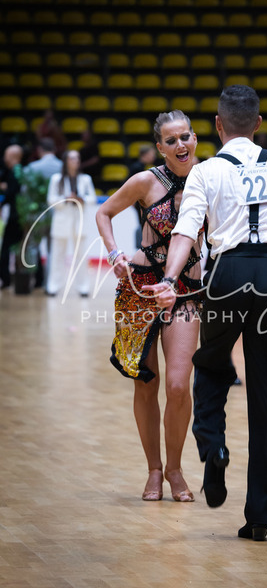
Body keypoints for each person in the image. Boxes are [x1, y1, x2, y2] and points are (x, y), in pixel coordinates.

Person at [145, 85, 267, 541]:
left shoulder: (206, 171)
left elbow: (186, 232)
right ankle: (260, 518)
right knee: (264, 392)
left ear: (218, 125)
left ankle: (214, 448)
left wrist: (169, 279)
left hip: (227, 274)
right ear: (258, 123)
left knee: (210, 367)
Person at [96, 110, 204, 504]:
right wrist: (115, 254)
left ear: (195, 138)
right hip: (139, 288)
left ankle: (175, 468)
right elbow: (103, 212)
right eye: (171, 140)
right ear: (160, 147)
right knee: (146, 382)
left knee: (177, 385)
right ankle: (154, 470)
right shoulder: (146, 181)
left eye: (186, 136)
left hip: (186, 289)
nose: (181, 144)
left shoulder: (209, 177)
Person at [45, 150, 96, 297]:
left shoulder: (85, 179)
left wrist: (81, 199)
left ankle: (83, 287)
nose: (75, 161)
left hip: (79, 221)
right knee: (57, 255)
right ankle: (53, 286)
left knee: (81, 256)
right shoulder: (56, 179)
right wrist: (66, 199)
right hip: (62, 220)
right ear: (66, 161)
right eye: (72, 158)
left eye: (77, 158)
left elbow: (92, 199)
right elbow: (51, 199)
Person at [26, 138, 63, 287]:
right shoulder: (62, 166)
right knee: (52, 250)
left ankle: (31, 280)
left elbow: (26, 192)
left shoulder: (32, 167)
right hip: (57, 214)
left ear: (39, 150)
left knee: (32, 247)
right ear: (54, 149)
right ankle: (50, 283)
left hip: (37, 214)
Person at [0, 145, 24, 289]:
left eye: (6, 155)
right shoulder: (20, 170)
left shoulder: (16, 171)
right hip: (20, 215)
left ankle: (5, 278)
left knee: (6, 248)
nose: (4, 158)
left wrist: (2, 201)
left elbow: (12, 193)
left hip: (16, 216)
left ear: (12, 156)